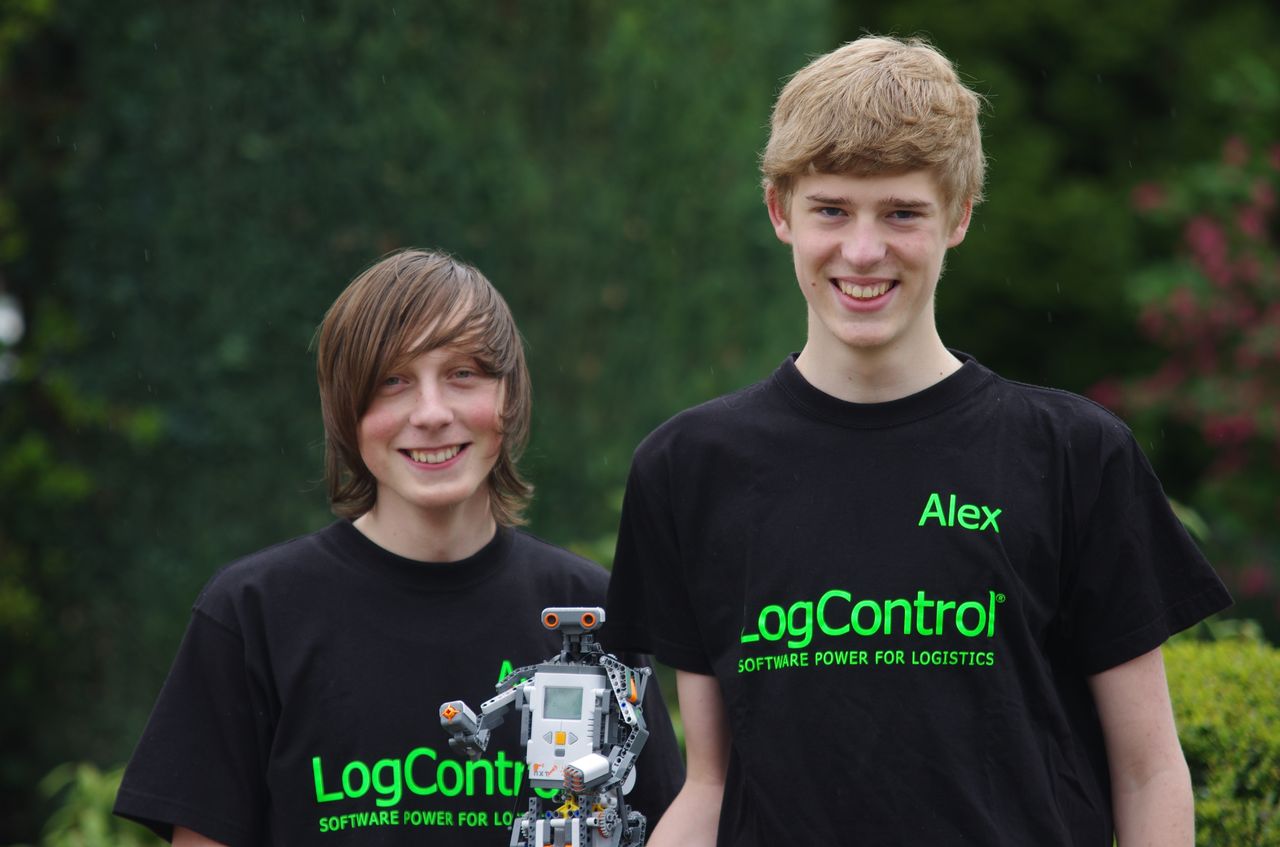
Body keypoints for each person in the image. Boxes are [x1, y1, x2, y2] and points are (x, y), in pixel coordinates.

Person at [604, 35, 1232, 846]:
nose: (864, 251)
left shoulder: (1073, 455)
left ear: (959, 215)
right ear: (779, 211)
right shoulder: (689, 468)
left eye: (902, 212)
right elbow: (711, 784)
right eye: (831, 209)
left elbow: (1147, 772)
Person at [114, 248, 683, 846]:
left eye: (463, 373)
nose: (431, 414)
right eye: (393, 381)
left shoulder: (588, 612)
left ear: (509, 398)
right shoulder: (253, 613)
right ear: (346, 411)